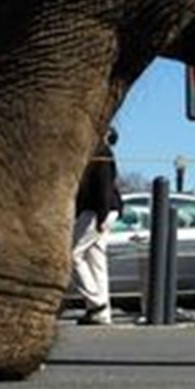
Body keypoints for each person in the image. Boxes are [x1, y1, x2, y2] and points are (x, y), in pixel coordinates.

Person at [72, 127, 123, 326]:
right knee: (96, 261)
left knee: (72, 255)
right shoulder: (102, 153)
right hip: (105, 210)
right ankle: (102, 314)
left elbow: (103, 186)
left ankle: (97, 302)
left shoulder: (100, 153)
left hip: (97, 211)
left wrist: (101, 216)